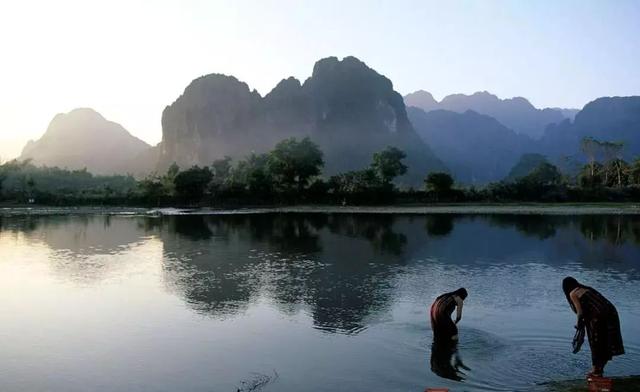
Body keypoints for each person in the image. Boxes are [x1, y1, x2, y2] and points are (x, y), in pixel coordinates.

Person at [562, 277, 625, 378]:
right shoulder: (587, 289)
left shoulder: (573, 293)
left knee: (596, 342)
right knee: (605, 342)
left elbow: (580, 313)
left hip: (598, 317)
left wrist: (578, 324)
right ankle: (599, 369)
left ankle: (596, 370)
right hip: (611, 313)